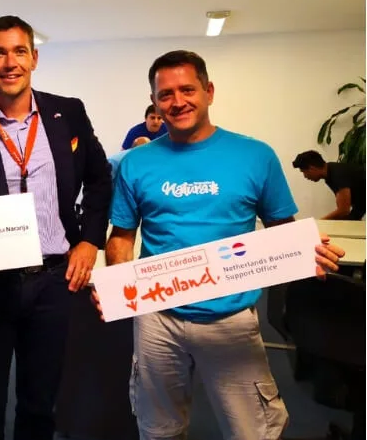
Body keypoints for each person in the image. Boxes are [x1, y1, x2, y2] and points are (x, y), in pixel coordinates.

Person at [95, 50, 345, 440]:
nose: (177, 101)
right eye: (165, 94)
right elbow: (122, 236)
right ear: (154, 101)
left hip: (231, 317)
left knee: (253, 432)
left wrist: (305, 250)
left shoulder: (255, 156)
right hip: (158, 319)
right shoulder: (135, 163)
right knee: (158, 430)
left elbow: (281, 228)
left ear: (209, 91)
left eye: (187, 90)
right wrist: (117, 287)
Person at [0, 15, 113, 440]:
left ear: (34, 58)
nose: (9, 62)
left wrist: (90, 241)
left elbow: (99, 179)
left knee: (40, 404)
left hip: (53, 282)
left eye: (18, 51)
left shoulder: (68, 113)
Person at [292, 150, 366, 220]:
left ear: (312, 168)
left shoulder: (337, 175)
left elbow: (343, 211)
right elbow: (359, 205)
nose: (305, 176)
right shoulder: (331, 173)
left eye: (304, 172)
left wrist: (319, 222)